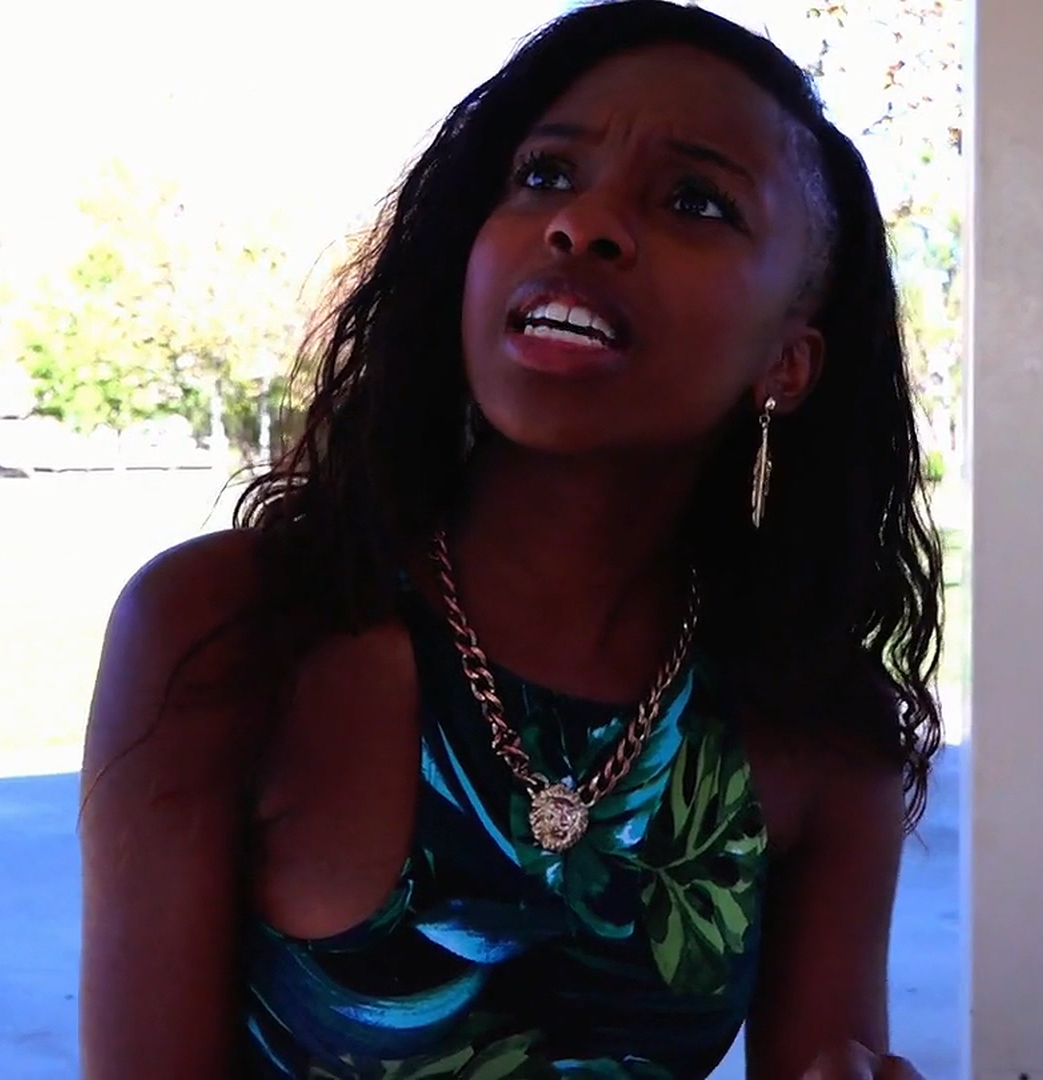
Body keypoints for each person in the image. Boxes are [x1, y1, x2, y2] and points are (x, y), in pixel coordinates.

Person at [78, 2, 944, 1077]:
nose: (583, 223)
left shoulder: (822, 730)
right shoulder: (224, 636)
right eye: (544, 174)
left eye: (693, 199)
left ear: (787, 362)